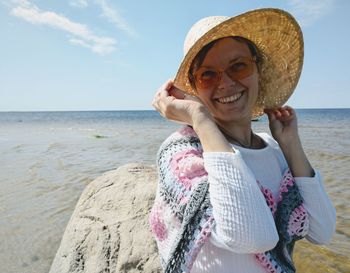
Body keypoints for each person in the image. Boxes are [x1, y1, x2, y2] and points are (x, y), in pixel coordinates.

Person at [149, 8, 336, 273]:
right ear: (194, 86)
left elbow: (322, 231)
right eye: (208, 74)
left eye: (238, 66)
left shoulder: (273, 149)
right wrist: (200, 118)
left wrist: (291, 145)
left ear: (258, 70)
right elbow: (254, 237)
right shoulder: (182, 153)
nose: (225, 83)